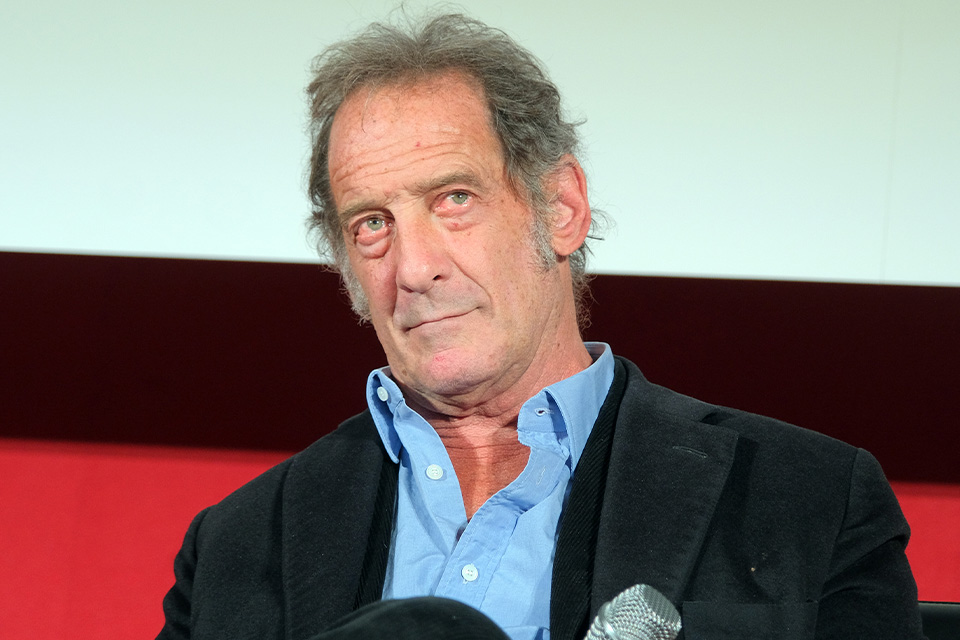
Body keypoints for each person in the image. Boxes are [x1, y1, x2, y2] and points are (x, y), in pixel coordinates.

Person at [158, 13, 925, 640]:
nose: (414, 267)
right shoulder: (236, 545)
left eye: (454, 198)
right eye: (372, 223)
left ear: (561, 209)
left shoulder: (805, 501)